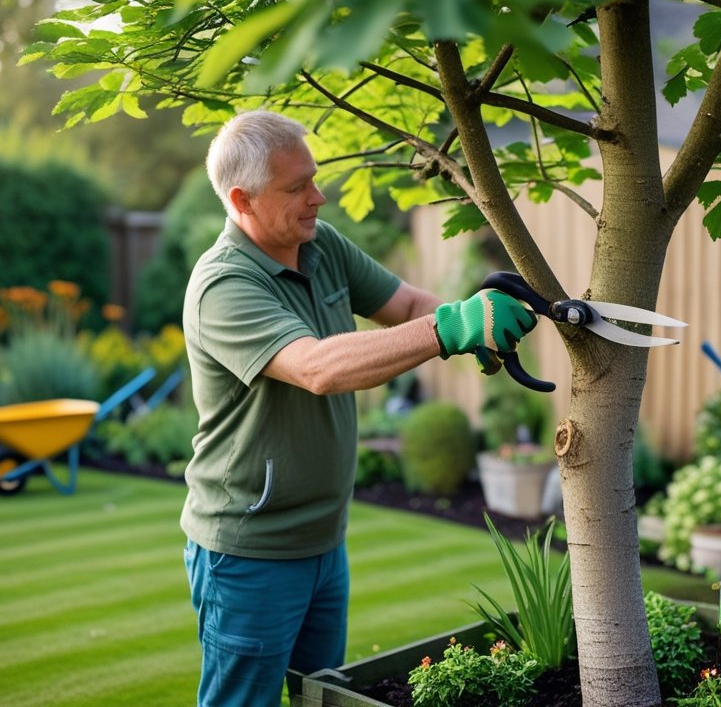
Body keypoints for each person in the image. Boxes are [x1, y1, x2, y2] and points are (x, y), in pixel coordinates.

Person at [180, 109, 538, 707]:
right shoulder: (224, 285)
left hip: (324, 540)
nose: (318, 197)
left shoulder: (319, 245)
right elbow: (318, 369)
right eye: (297, 188)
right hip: (250, 551)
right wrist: (453, 327)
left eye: (313, 179)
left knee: (326, 698)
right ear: (242, 199)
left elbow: (407, 306)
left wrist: (471, 321)